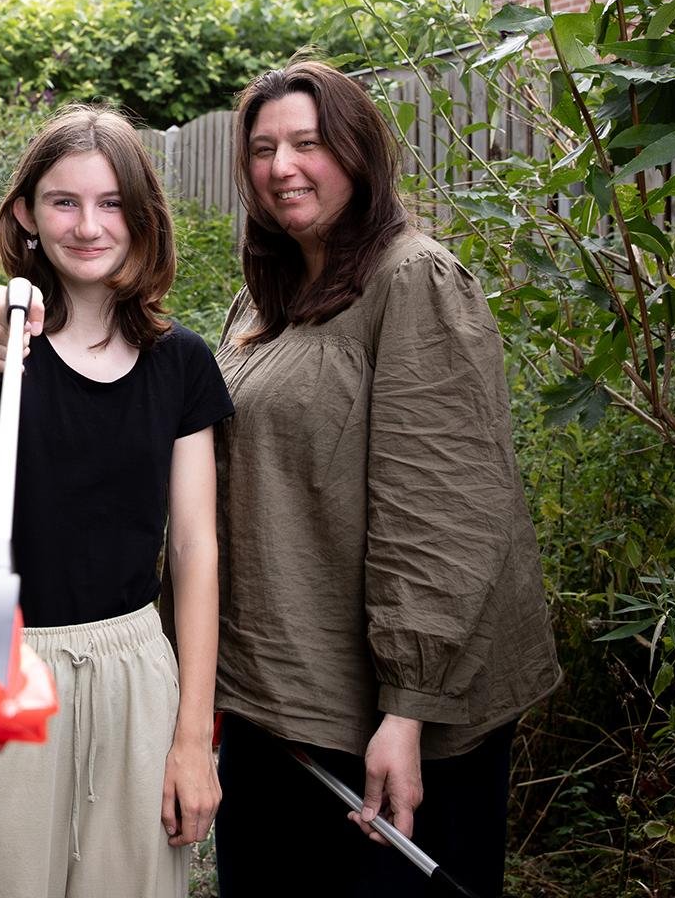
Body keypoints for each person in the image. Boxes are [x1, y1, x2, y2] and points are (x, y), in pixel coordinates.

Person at [210, 61, 561, 898]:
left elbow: (441, 506)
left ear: (359, 153)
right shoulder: (267, 297)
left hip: (392, 712)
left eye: (308, 143)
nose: (282, 166)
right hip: (281, 691)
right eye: (263, 148)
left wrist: (407, 710)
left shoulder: (413, 279)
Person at [0, 106, 231, 898]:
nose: (89, 225)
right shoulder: (2, 333)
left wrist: (193, 739)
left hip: (135, 671)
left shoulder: (181, 364)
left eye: (111, 203)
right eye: (64, 202)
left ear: (143, 214)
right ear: (26, 213)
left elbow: (195, 549)